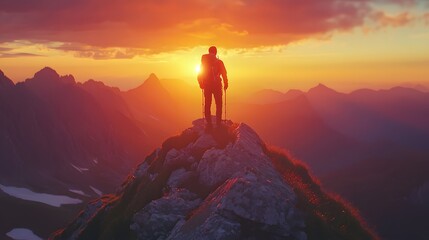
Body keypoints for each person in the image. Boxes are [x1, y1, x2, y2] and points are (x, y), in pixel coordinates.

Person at [198, 46, 228, 128]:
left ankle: (209, 123)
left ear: (208, 52)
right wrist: (226, 84)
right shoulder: (219, 62)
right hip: (217, 86)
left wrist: (201, 84)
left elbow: (200, 74)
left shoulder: (204, 63)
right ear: (216, 52)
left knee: (208, 104)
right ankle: (218, 123)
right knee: (219, 104)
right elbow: (224, 74)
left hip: (207, 86)